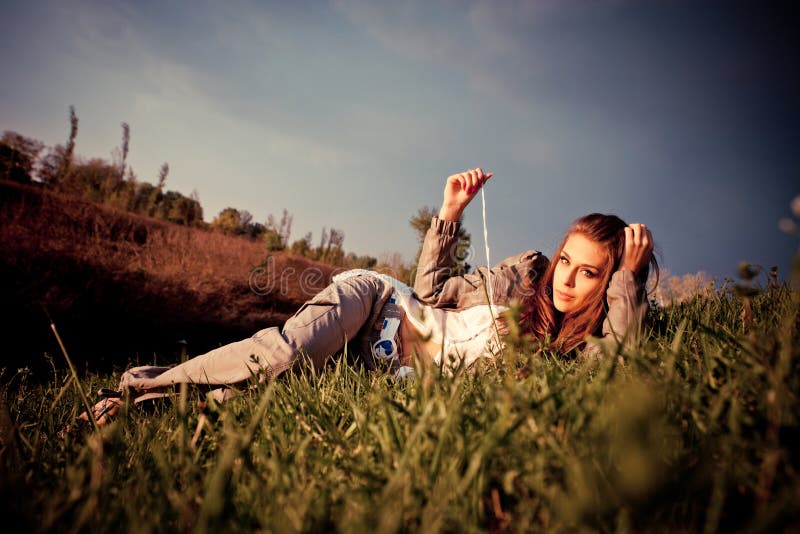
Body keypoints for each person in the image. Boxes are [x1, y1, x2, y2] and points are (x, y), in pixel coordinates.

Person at [78, 168, 655, 425]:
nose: (567, 279)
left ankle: (142, 401)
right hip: (378, 303)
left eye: (590, 274)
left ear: (609, 286)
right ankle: (134, 391)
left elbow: (624, 366)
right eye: (567, 262)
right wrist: (450, 214)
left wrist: (630, 278)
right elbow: (430, 293)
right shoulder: (521, 280)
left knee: (254, 402)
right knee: (281, 356)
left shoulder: (579, 355)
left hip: (373, 371)